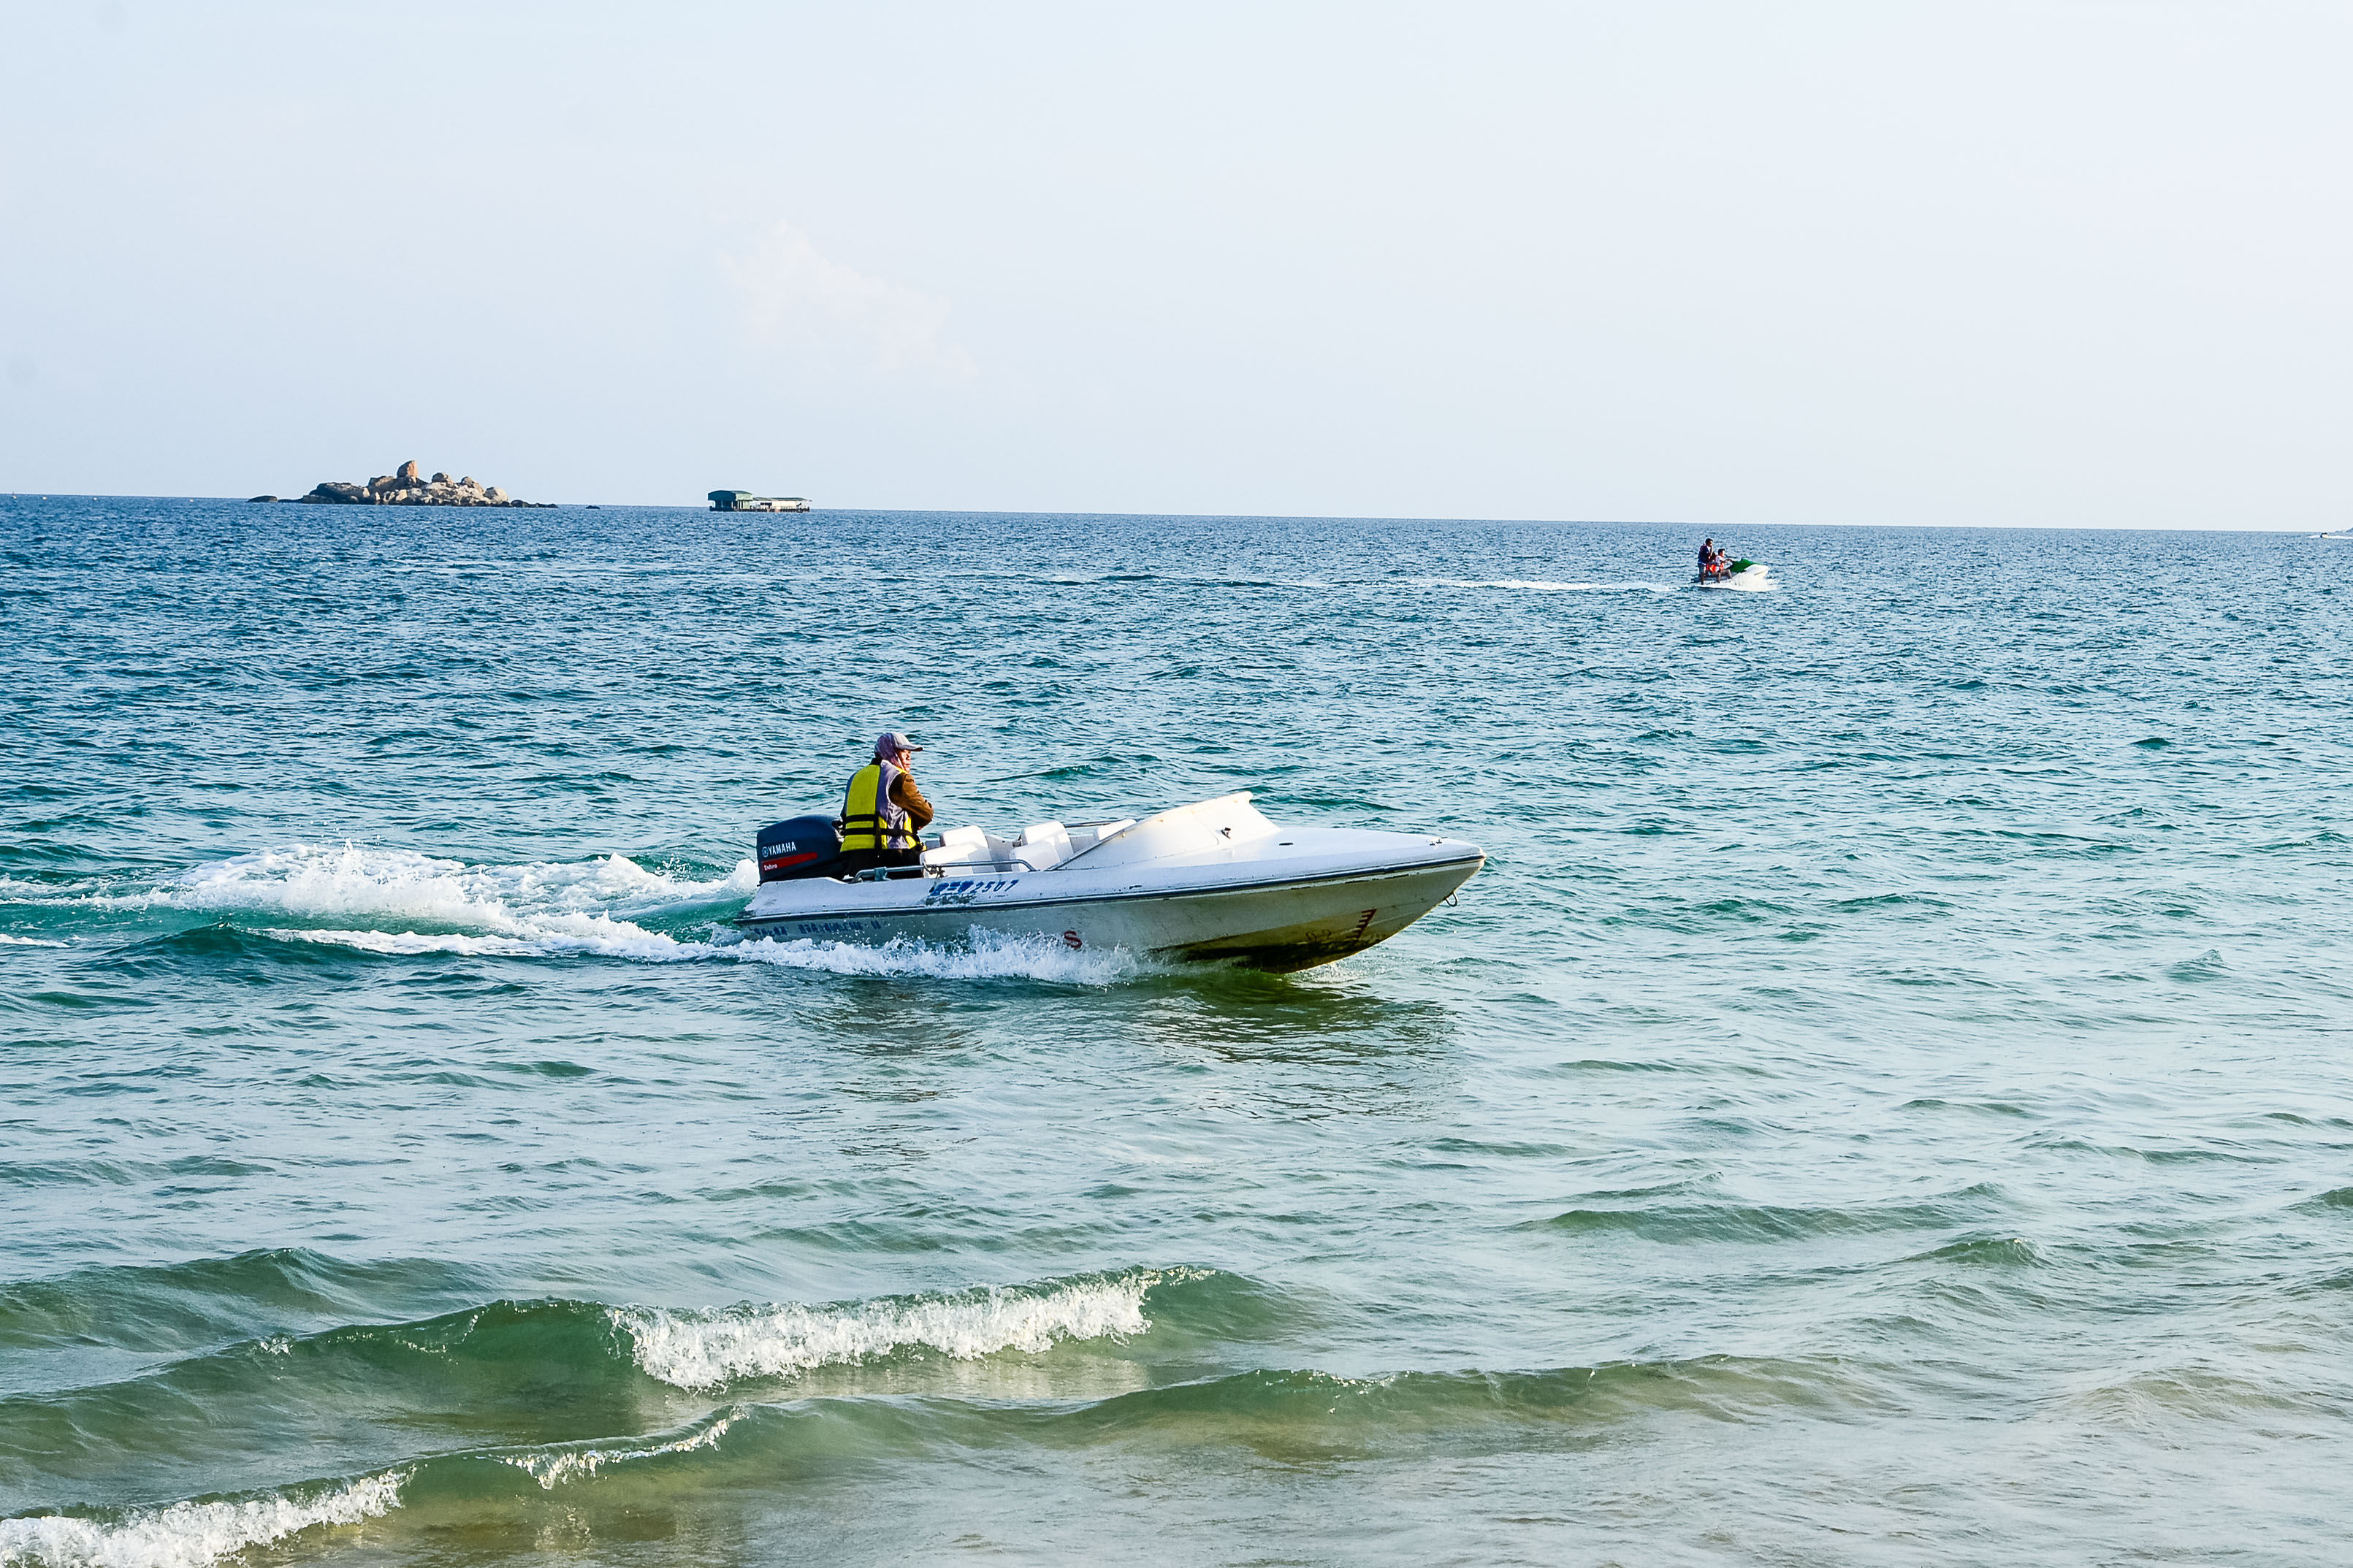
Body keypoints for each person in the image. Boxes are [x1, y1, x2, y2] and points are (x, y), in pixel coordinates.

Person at [838, 732, 936, 877]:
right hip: (891, 856)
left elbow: (845, 816)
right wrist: (915, 823)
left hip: (855, 860)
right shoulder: (899, 779)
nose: (909, 757)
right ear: (889, 751)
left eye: (910, 752)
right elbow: (926, 814)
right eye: (903, 752)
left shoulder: (854, 778)